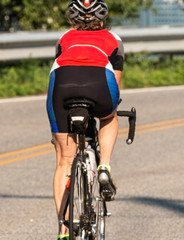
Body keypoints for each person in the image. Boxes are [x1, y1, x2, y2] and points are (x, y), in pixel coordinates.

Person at [46, 0, 124, 239]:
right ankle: (104, 167)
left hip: (62, 83)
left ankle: (63, 230)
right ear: (102, 18)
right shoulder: (115, 40)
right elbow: (116, 86)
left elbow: (63, 63)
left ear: (72, 18)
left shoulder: (64, 38)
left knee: (63, 162)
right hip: (100, 81)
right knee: (109, 117)